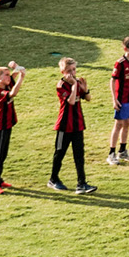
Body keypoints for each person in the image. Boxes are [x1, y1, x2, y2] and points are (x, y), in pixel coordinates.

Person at [48, 57, 96, 194]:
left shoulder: (78, 82)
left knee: (79, 154)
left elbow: (88, 99)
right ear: (62, 72)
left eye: (74, 69)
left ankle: (82, 183)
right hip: (64, 126)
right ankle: (53, 179)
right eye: (69, 70)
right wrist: (75, 85)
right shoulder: (61, 85)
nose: (72, 72)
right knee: (59, 153)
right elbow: (71, 101)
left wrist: (85, 90)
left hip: (77, 124)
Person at [0, 61, 25, 193]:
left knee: (2, 155)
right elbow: (13, 93)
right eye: (6, 75)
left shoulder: (6, 85)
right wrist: (21, 77)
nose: (9, 77)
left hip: (7, 125)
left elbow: (12, 78)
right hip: (0, 127)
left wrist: (16, 68)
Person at [106, 36, 129, 166]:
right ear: (126, 48)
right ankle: (111, 153)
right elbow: (113, 80)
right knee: (118, 124)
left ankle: (122, 150)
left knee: (127, 123)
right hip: (122, 98)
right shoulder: (120, 63)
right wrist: (114, 99)